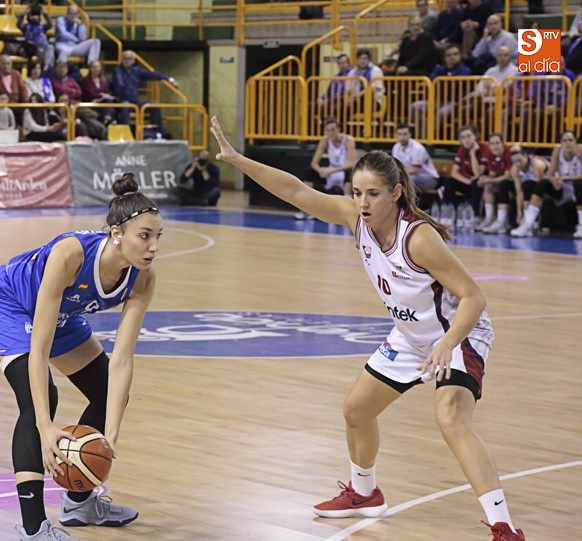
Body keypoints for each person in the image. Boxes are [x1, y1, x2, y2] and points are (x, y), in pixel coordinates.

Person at [208, 114, 528, 541]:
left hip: (459, 333)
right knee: (356, 410)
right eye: (357, 192)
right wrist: (238, 161)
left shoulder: (418, 238)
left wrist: (448, 343)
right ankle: (364, 494)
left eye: (373, 193)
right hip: (412, 336)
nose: (362, 201)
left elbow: (474, 297)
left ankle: (503, 525)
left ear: (396, 193)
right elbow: (295, 190)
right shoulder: (355, 219)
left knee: (450, 416)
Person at [0, 172, 158, 541]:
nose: (153, 247)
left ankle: (79, 502)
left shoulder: (142, 278)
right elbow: (39, 348)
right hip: (9, 304)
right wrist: (45, 425)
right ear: (116, 233)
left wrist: (113, 434)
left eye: (158, 237)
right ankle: (33, 528)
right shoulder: (70, 254)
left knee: (109, 391)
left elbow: (122, 359)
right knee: (42, 397)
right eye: (144, 236)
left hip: (61, 315)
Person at [510, 130, 582, 238]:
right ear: (561, 143)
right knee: (542, 184)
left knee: (579, 184)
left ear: (575, 142)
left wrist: (566, 178)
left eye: (571, 140)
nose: (568, 143)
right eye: (565, 140)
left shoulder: (580, 151)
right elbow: (550, 174)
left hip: (578, 188)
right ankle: (527, 224)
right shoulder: (557, 151)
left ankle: (581, 225)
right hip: (563, 188)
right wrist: (554, 181)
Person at [298, 116, 356, 219]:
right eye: (328, 130)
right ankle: (306, 210)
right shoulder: (325, 140)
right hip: (330, 172)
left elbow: (351, 163)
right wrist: (320, 170)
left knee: (349, 172)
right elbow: (314, 163)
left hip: (343, 171)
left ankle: (348, 212)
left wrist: (332, 170)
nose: (331, 133)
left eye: (333, 130)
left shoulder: (348, 140)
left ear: (338, 129)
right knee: (309, 173)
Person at [111, 50, 178, 129]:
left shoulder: (137, 71)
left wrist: (169, 79)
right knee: (125, 105)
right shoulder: (117, 70)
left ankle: (157, 131)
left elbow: (152, 74)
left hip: (135, 102)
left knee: (154, 104)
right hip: (121, 102)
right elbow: (119, 83)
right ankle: (127, 134)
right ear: (121, 60)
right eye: (125, 59)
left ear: (133, 61)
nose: (127, 61)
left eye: (130, 59)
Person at [473, 133, 513, 232]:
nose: (495, 146)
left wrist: (489, 180)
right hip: (502, 181)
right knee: (488, 185)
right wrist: (485, 179)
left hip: (515, 182)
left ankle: (501, 221)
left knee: (503, 185)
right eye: (492, 144)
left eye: (497, 143)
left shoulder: (509, 153)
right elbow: (492, 173)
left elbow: (508, 176)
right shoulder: (490, 154)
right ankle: (489, 218)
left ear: (503, 144)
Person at [391, 123, 438, 195]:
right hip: (409, 176)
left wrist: (399, 175)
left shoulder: (417, 148)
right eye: (399, 134)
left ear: (410, 134)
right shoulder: (396, 147)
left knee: (409, 180)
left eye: (405, 134)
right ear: (396, 135)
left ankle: (409, 205)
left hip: (430, 178)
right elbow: (396, 166)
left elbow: (414, 170)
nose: (402, 137)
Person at [18, 1, 54, 70]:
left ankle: (47, 65)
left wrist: (44, 14)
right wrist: (24, 13)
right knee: (41, 52)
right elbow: (19, 25)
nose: (34, 17)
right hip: (33, 48)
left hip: (43, 46)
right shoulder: (26, 26)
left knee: (50, 47)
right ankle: (45, 68)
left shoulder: (42, 26)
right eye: (32, 15)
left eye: (36, 15)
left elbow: (50, 24)